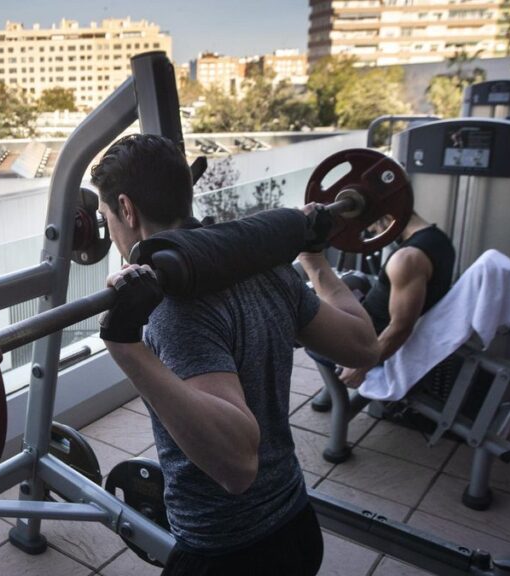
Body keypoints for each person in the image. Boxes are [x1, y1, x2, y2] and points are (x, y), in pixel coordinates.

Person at [92, 134, 380, 576]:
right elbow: (363, 343)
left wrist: (125, 345)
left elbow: (238, 464)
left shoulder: (175, 308)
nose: (109, 230)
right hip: (298, 528)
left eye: (106, 216)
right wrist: (315, 259)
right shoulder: (263, 264)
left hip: (228, 553)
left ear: (126, 209)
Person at [338, 211, 456, 387]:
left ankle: (337, 394)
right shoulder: (440, 240)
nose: (374, 235)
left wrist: (361, 367)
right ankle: (334, 391)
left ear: (385, 215)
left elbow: (400, 327)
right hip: (368, 322)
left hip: (364, 341)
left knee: (308, 325)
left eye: (373, 228)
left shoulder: (407, 259)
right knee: (350, 284)